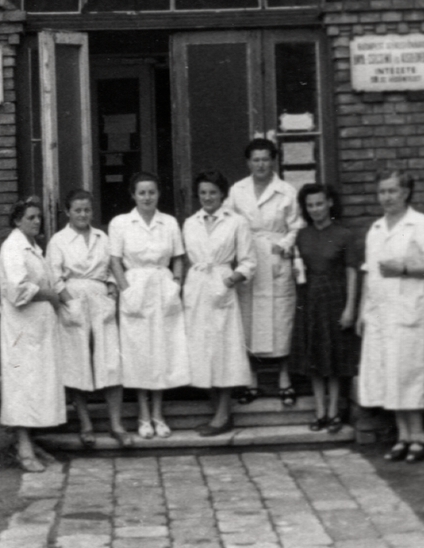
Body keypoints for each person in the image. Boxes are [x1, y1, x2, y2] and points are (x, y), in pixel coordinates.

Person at [356, 167, 424, 463]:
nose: (386, 197)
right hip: (381, 314)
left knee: (409, 373)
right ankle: (402, 436)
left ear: (406, 192)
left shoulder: (421, 225)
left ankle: (418, 435)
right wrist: (362, 312)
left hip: (411, 311)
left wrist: (405, 269)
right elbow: (370, 273)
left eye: (392, 191)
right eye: (382, 191)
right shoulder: (376, 229)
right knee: (389, 374)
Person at [46, 189, 133, 448]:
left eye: (87, 210)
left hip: (100, 300)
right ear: (68, 212)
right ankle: (85, 423)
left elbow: (111, 269)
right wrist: (68, 301)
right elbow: (54, 276)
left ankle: (116, 424)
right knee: (78, 363)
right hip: (74, 300)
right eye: (77, 210)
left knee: (110, 361)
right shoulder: (58, 241)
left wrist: (111, 291)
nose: (83, 215)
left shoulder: (102, 237)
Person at [108, 171, 189, 439]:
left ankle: (158, 414)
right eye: (141, 192)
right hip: (135, 288)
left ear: (158, 194)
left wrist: (175, 284)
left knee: (162, 352)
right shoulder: (121, 223)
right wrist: (126, 290)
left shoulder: (169, 222)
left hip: (163, 287)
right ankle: (143, 416)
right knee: (139, 353)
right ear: (133, 195)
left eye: (151, 192)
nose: (147, 197)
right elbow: (115, 261)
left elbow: (178, 257)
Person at [227, 137, 303, 405]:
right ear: (248, 162)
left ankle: (284, 379)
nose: (260, 164)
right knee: (250, 320)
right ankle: (253, 380)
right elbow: (228, 224)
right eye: (255, 159)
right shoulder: (237, 191)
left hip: (275, 259)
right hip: (249, 260)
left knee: (280, 321)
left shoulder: (286, 191)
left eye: (265, 159)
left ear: (274, 161)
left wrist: (284, 245)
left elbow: (296, 225)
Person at [181, 170, 257, 436]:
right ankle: (217, 412)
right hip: (197, 290)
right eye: (203, 192)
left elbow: (249, 262)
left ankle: (224, 414)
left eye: (212, 192)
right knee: (201, 354)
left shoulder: (236, 222)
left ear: (222, 194)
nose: (208, 197)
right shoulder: (190, 222)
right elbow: (189, 259)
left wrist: (229, 280)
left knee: (224, 353)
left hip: (222, 289)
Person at [0, 196, 69, 472]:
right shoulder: (13, 247)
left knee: (37, 386)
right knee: (23, 387)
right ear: (17, 221)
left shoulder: (32, 248)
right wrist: (50, 295)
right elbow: (17, 289)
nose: (37, 221)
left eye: (39, 217)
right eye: (31, 217)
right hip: (21, 330)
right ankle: (23, 448)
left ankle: (33, 443)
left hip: (37, 328)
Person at [290, 183, 361, 433]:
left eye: (319, 203)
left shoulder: (344, 234)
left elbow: (352, 272)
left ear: (330, 203)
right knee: (315, 359)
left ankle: (334, 412)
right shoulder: (302, 235)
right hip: (310, 299)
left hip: (336, 298)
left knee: (334, 358)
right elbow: (298, 268)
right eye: (310, 205)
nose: (315, 209)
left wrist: (350, 308)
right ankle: (319, 411)